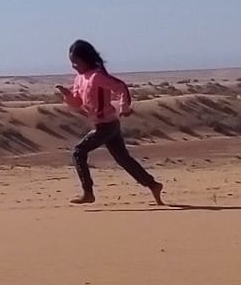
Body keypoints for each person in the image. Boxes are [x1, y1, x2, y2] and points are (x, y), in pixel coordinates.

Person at [58, 39, 164, 206]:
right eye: (72, 62)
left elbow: (120, 87)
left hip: (106, 125)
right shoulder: (80, 78)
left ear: (86, 59)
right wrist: (68, 95)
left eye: (76, 62)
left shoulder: (97, 76)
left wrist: (124, 107)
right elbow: (77, 103)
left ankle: (88, 192)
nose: (74, 66)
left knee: (78, 152)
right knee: (123, 159)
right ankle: (153, 185)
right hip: (106, 124)